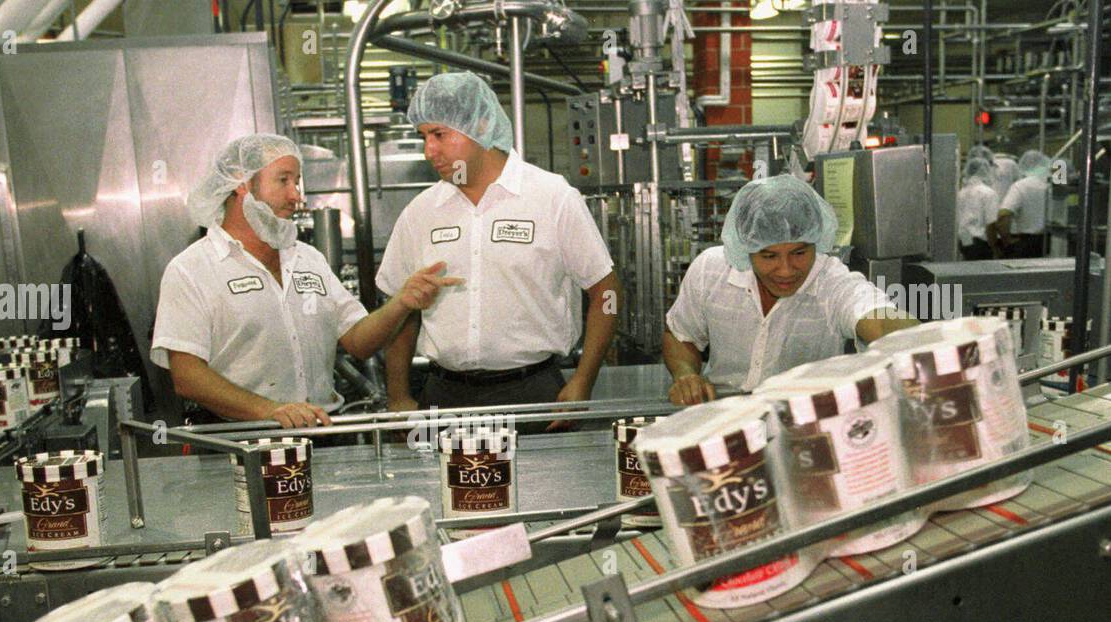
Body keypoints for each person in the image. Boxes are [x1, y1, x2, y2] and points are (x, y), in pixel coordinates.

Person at [151, 134, 458, 428]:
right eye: (283, 180)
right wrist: (271, 411)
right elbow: (187, 376)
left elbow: (358, 343)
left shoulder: (307, 259)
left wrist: (402, 302)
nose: (296, 195)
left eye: (296, 181)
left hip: (319, 432)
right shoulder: (192, 270)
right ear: (241, 184)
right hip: (239, 438)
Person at [376, 72, 620, 432]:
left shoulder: (552, 197)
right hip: (444, 398)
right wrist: (398, 396)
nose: (430, 150)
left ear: (482, 124)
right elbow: (400, 309)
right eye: (424, 136)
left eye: (440, 134)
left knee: (541, 489)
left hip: (533, 394)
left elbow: (607, 293)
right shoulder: (421, 212)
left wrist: (584, 380)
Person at [663, 174, 921, 405]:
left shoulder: (830, 280)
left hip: (803, 426)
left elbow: (880, 321)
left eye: (799, 253)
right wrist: (686, 375)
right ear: (746, 248)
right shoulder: (711, 270)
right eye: (769, 256)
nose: (786, 270)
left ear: (816, 243)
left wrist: (923, 346)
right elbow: (680, 334)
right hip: (721, 420)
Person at [996, 150, 1051, 259]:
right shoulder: (1051, 185)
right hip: (1050, 242)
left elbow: (1003, 214)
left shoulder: (1020, 186)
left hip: (1026, 244)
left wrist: (1006, 240)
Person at [957, 157, 1000, 261]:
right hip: (981, 245)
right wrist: (995, 248)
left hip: (963, 241)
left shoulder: (961, 193)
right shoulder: (989, 193)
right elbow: (991, 224)